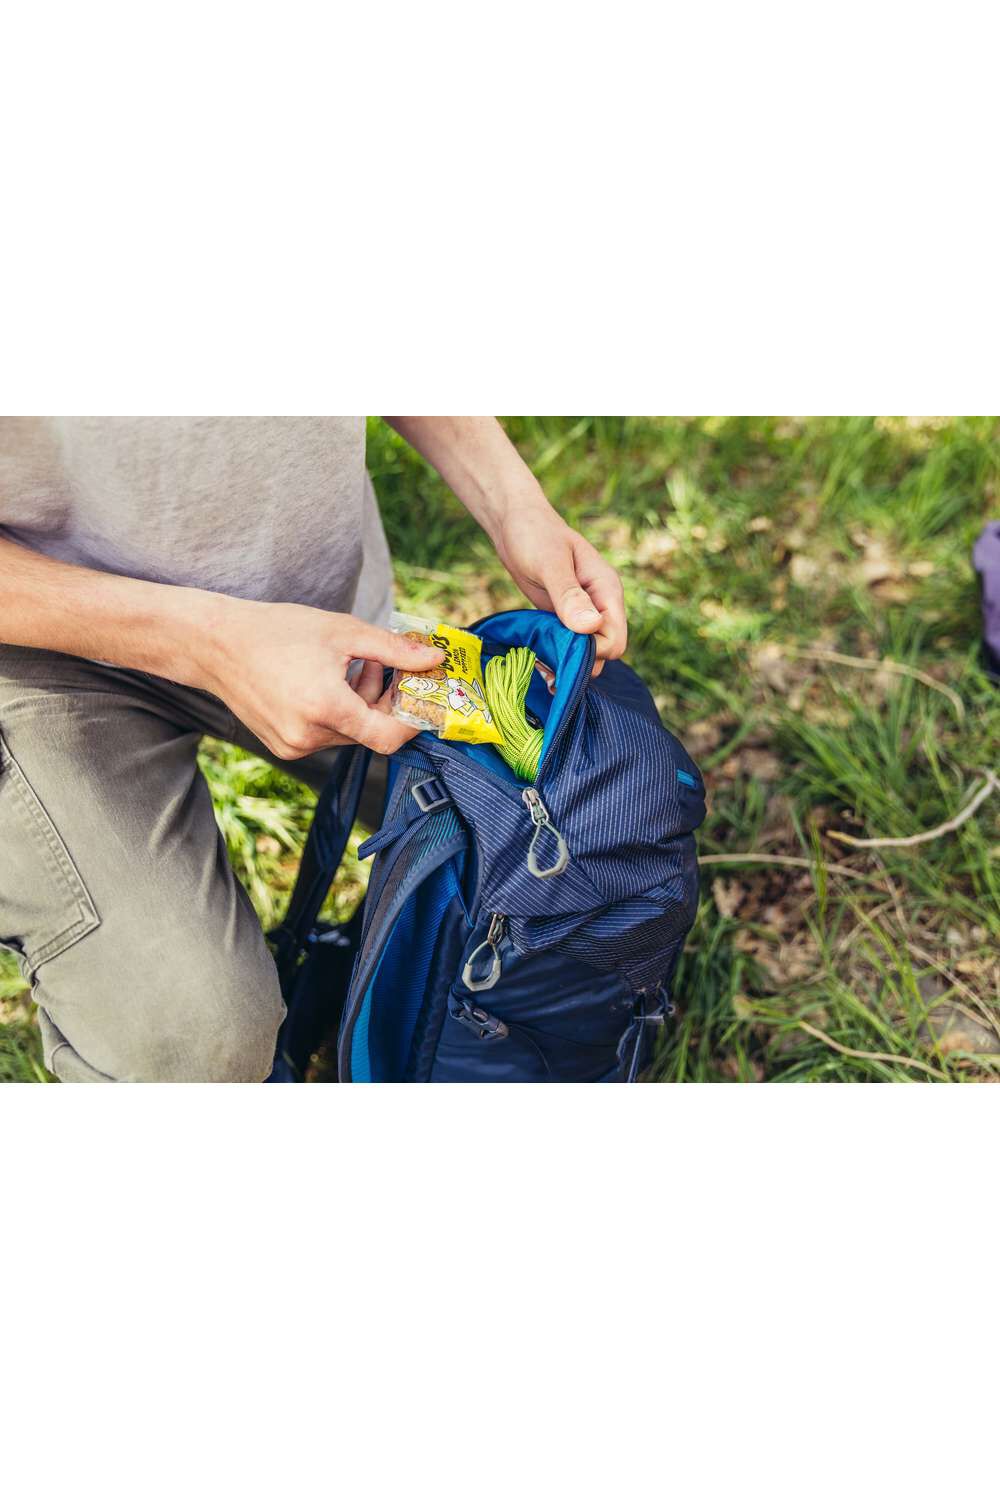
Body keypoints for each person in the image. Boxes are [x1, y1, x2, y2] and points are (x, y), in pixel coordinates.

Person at [0, 417, 628, 1082]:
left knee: (592, 822)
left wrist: (514, 506)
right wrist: (209, 642)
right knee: (193, 1042)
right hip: (47, 650)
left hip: (324, 622)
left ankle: (371, 969)